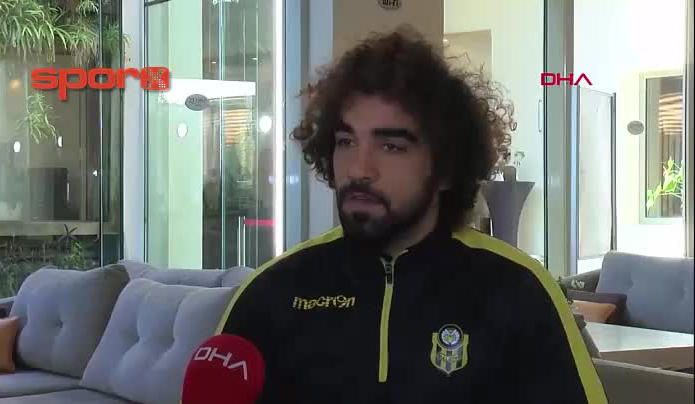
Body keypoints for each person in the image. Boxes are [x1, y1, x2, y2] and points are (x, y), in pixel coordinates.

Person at [216, 28, 608, 404]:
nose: (359, 169)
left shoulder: (517, 291)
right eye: (346, 142)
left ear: (446, 168)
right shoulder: (273, 293)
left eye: (391, 146)